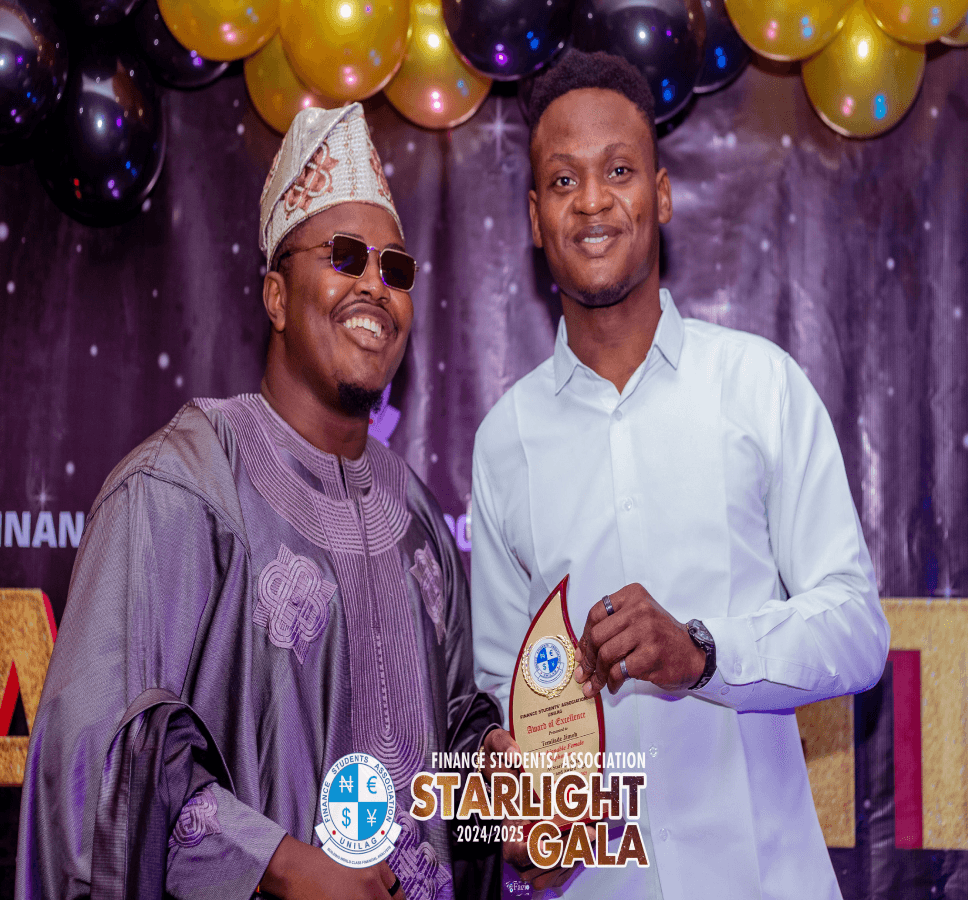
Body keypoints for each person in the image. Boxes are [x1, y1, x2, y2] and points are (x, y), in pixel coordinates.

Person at [16, 104, 505, 900]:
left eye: (396, 268)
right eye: (345, 256)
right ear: (276, 297)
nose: (375, 286)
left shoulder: (417, 518)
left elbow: (446, 757)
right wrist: (279, 863)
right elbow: (97, 756)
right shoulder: (181, 489)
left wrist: (507, 806)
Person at [470, 50, 890, 900]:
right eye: (563, 180)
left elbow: (856, 630)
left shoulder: (760, 386)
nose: (593, 201)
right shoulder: (504, 441)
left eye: (619, 171)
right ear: (535, 217)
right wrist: (515, 801)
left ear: (659, 195)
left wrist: (702, 653)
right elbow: (499, 690)